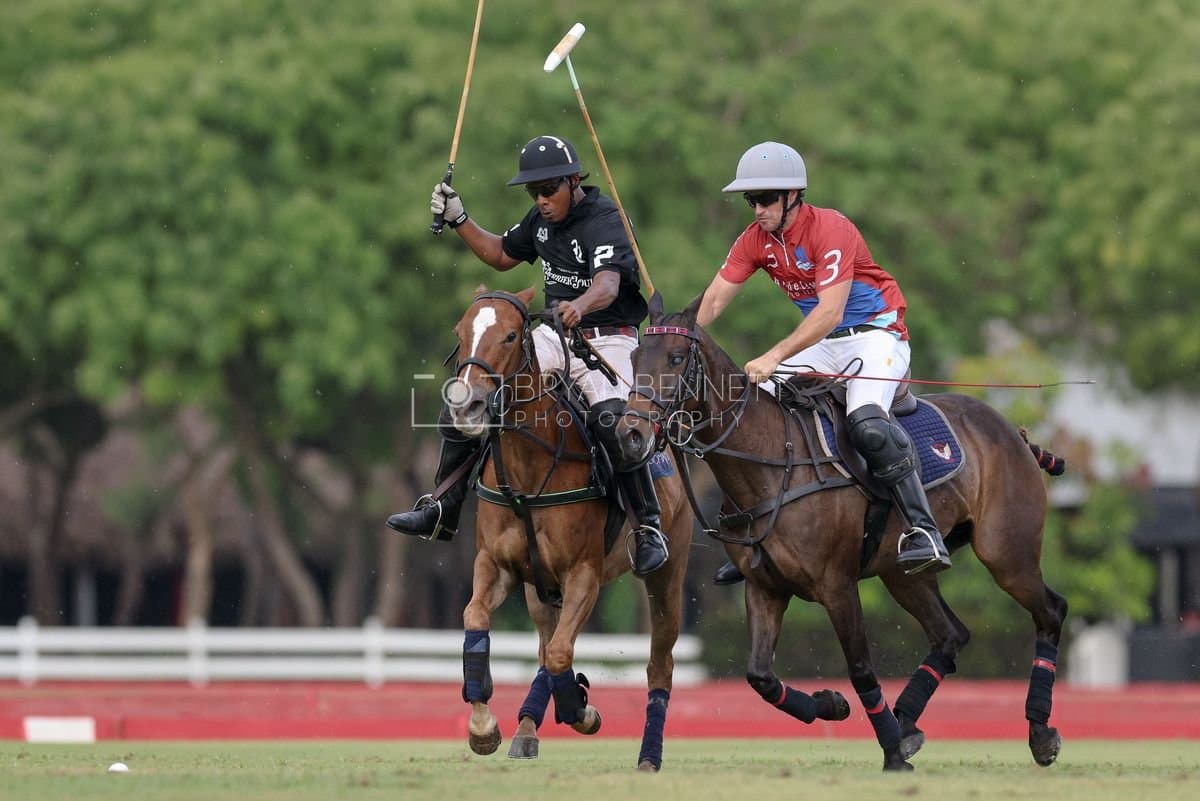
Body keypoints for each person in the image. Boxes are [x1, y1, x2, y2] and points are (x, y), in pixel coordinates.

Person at [385, 134, 669, 577]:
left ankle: (648, 526)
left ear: (573, 181)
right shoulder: (540, 221)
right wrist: (460, 218)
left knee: (612, 422)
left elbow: (609, 284)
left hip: (608, 337)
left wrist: (581, 305)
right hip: (553, 335)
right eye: (533, 192)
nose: (541, 200)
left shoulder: (605, 218)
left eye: (548, 189)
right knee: (467, 397)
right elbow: (501, 254)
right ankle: (442, 506)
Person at [699, 141, 951, 585]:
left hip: (876, 335)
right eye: (750, 199)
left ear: (792, 195)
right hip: (823, 345)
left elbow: (830, 312)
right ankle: (754, 535)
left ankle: (923, 529)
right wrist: (671, 333)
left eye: (765, 199)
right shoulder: (754, 240)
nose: (757, 209)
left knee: (867, 422)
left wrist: (774, 355)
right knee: (745, 411)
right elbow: (715, 299)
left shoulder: (831, 228)